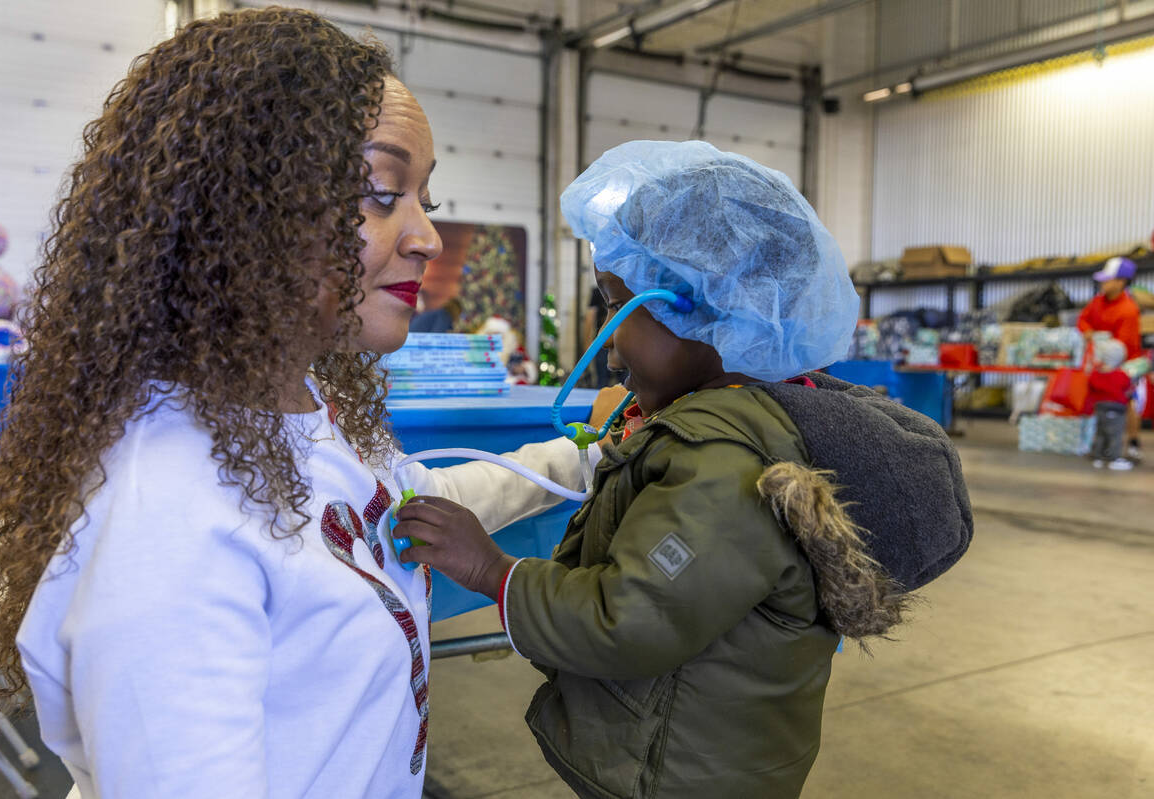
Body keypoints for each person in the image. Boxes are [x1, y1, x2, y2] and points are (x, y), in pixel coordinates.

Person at [0, 9, 609, 798]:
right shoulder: (169, 514)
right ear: (239, 209)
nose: (427, 239)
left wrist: (584, 452)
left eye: (425, 201)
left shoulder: (297, 410)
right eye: (380, 193)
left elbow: (413, 509)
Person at [394, 140, 973, 798]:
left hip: (684, 777)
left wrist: (491, 571)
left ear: (711, 313)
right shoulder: (748, 422)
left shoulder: (723, 461)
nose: (611, 344)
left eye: (622, 307)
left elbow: (628, 618)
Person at [1078, 256, 1143, 460]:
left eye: (1108, 279)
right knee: (1095, 400)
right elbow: (1083, 320)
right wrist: (1089, 333)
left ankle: (1132, 443)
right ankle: (1096, 443)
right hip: (1100, 360)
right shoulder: (1097, 302)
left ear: (1121, 282)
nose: (1103, 283)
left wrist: (1110, 365)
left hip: (1124, 363)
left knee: (1129, 400)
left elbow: (1125, 346)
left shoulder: (1129, 310)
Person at [1085, 338, 1135, 470]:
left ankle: (1098, 457)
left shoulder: (1095, 374)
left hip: (1099, 408)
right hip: (1116, 409)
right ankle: (1115, 458)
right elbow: (1128, 389)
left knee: (1101, 432)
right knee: (1115, 434)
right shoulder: (1121, 375)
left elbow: (1090, 389)